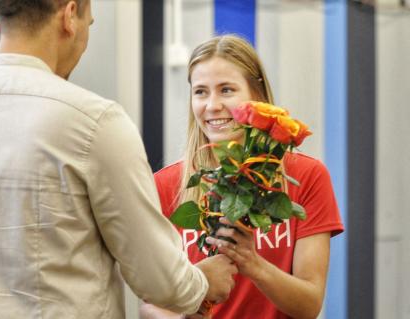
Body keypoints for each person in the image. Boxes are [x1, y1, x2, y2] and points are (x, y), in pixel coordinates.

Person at [0, 1, 238, 318]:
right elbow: (158, 278)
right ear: (69, 16)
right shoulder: (93, 123)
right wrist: (201, 284)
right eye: (89, 24)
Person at [140, 35, 344, 319]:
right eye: (200, 92)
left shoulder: (308, 176)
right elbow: (151, 303)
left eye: (226, 90)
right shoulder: (165, 186)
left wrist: (252, 263)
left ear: (257, 97)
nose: (212, 105)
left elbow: (309, 305)